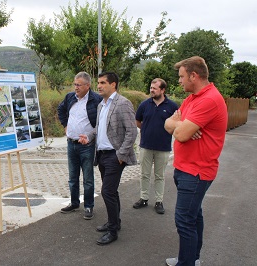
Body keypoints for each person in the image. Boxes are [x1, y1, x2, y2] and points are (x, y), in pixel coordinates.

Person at [164, 56, 227, 266]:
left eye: (182, 77)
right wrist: (181, 124)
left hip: (197, 172)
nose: (179, 81)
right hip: (184, 169)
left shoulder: (209, 99)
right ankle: (191, 258)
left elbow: (180, 135)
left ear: (194, 75)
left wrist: (180, 126)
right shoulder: (192, 98)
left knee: (184, 221)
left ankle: (187, 262)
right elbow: (168, 124)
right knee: (194, 215)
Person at [79, 71, 137, 245]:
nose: (99, 85)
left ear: (113, 85)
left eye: (103, 82)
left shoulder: (123, 103)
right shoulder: (101, 105)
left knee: (107, 192)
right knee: (112, 192)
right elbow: (99, 128)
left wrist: (121, 154)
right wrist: (88, 136)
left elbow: (132, 131)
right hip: (102, 154)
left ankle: (113, 231)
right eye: (99, 82)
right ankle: (115, 222)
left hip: (115, 155)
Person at [57, 71, 102, 219]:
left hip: (87, 145)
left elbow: (101, 121)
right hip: (71, 143)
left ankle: (89, 206)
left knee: (88, 179)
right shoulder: (70, 97)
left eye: (79, 85)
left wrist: (92, 136)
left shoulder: (96, 100)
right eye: (75, 84)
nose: (76, 87)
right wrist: (65, 125)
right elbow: (61, 109)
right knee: (72, 177)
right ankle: (74, 202)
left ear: (88, 86)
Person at [133, 78, 178, 214]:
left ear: (163, 90)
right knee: (144, 174)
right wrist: (147, 130)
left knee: (160, 176)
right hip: (146, 146)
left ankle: (159, 201)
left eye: (155, 88)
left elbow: (177, 123)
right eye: (151, 87)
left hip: (163, 147)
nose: (151, 90)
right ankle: (143, 198)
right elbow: (138, 121)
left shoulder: (172, 106)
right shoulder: (144, 104)